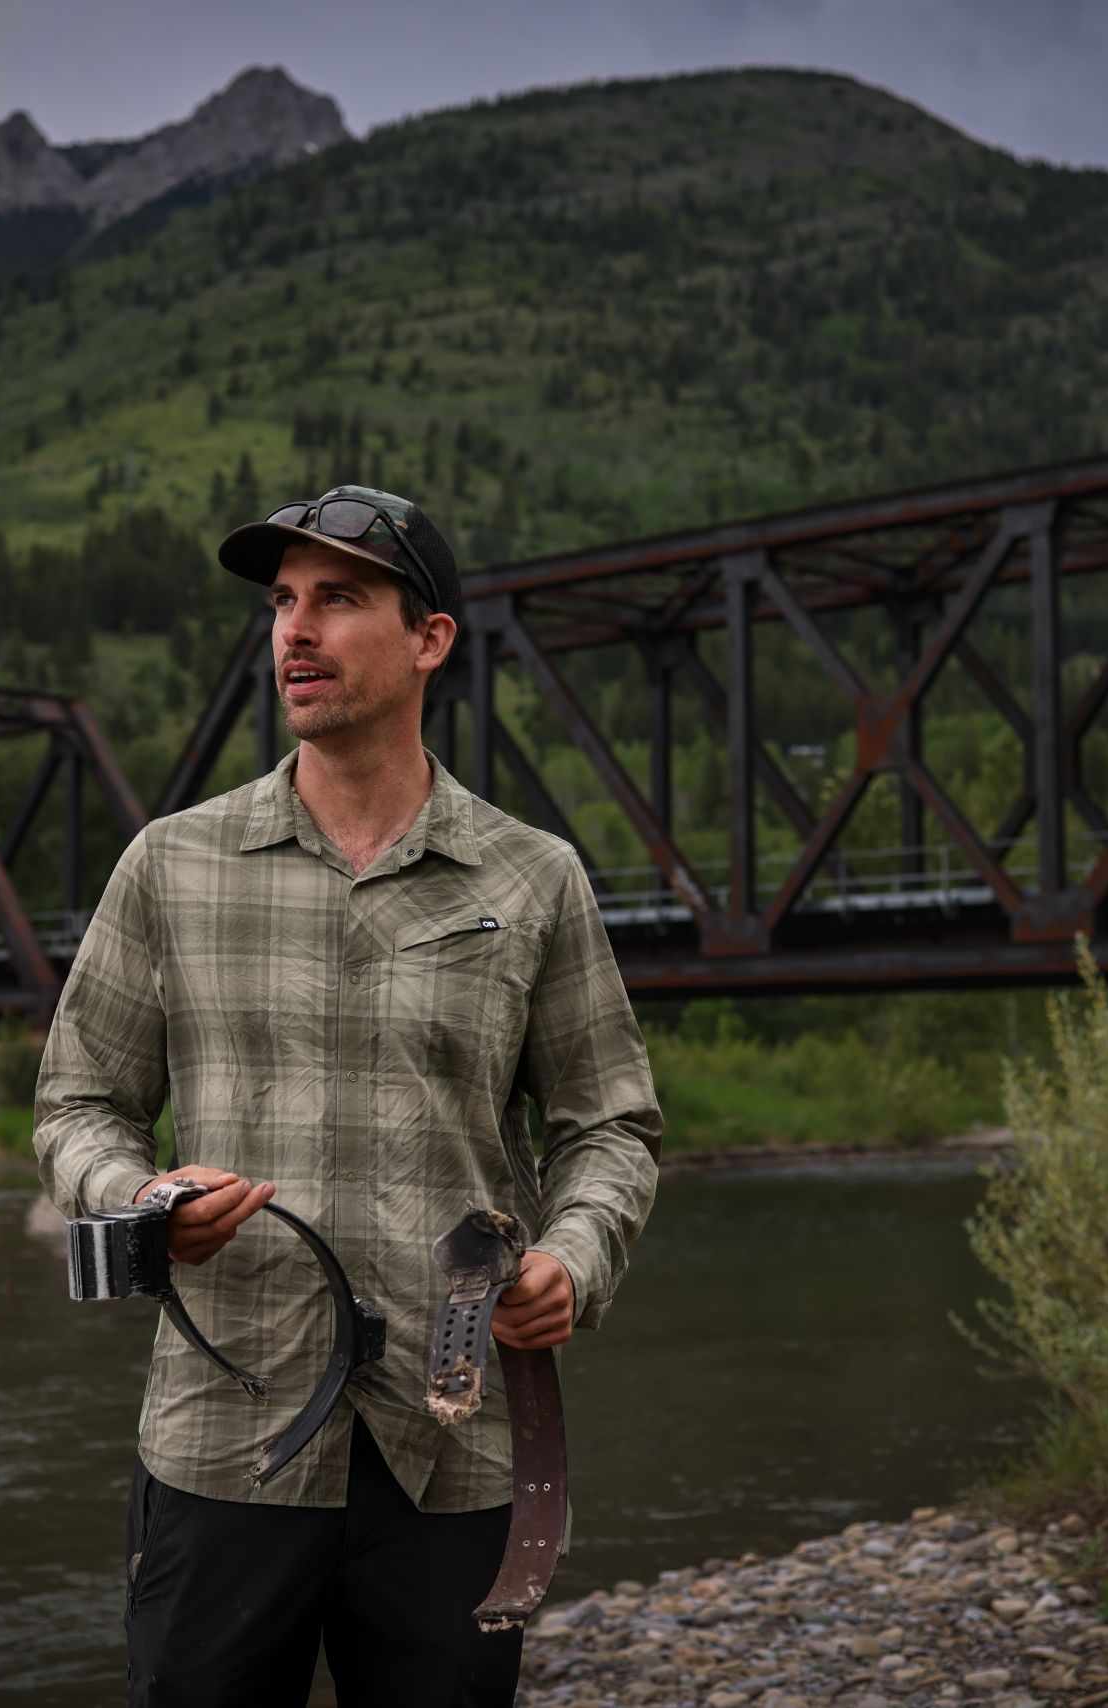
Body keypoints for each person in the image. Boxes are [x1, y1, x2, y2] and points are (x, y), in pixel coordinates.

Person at [33, 483, 663, 1707]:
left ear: (429, 637)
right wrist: (146, 1194)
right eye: (280, 602)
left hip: (455, 1450)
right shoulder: (170, 862)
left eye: (338, 599)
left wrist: (573, 1263)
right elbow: (75, 1107)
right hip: (223, 1447)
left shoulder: (535, 878)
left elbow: (610, 1126)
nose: (293, 631)